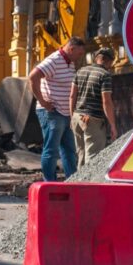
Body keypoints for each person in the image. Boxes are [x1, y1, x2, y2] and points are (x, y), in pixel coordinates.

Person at [28, 36, 86, 182]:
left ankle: (71, 182)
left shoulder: (69, 62)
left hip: (65, 113)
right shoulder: (54, 60)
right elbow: (33, 76)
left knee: (69, 151)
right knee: (51, 150)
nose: (80, 57)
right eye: (79, 53)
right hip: (52, 112)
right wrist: (42, 101)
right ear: (71, 49)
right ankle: (49, 183)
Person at [70, 47, 118, 167]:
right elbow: (106, 101)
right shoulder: (105, 75)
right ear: (109, 61)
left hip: (77, 117)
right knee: (93, 158)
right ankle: (88, 185)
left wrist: (72, 117)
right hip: (93, 120)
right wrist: (112, 125)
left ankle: (78, 184)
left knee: (80, 154)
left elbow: (72, 96)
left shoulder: (80, 71)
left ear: (96, 58)